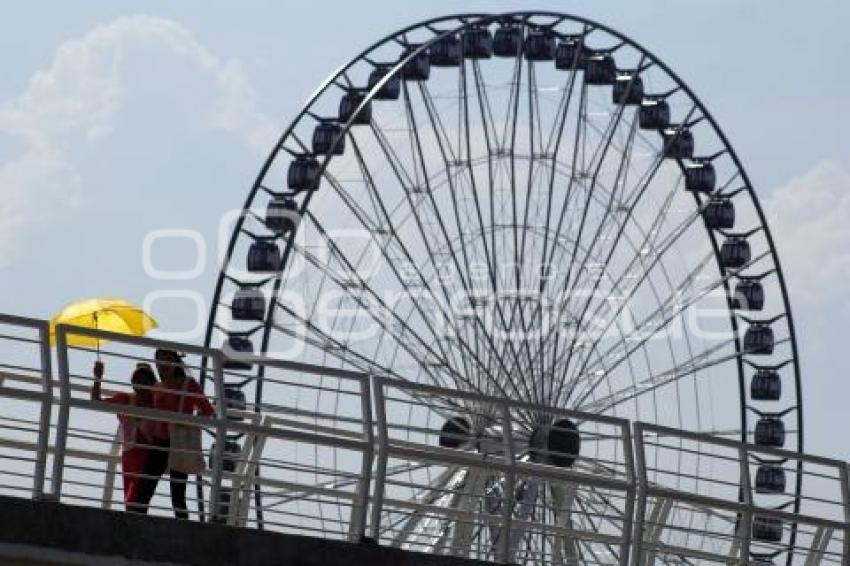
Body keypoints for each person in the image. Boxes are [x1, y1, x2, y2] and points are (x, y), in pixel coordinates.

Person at [149, 348, 215, 519]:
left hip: (179, 444)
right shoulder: (157, 386)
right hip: (158, 442)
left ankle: (184, 528)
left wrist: (188, 424)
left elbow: (207, 410)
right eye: (159, 361)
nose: (162, 364)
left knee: (177, 495)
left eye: (167, 360)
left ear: (176, 362)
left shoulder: (188, 384)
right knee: (146, 487)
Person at [91, 361, 158, 513]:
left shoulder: (158, 403)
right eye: (137, 380)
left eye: (145, 381)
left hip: (149, 456)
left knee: (138, 497)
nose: (141, 384)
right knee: (130, 497)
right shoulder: (125, 399)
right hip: (129, 455)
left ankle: (135, 525)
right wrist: (98, 377)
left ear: (153, 383)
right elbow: (96, 401)